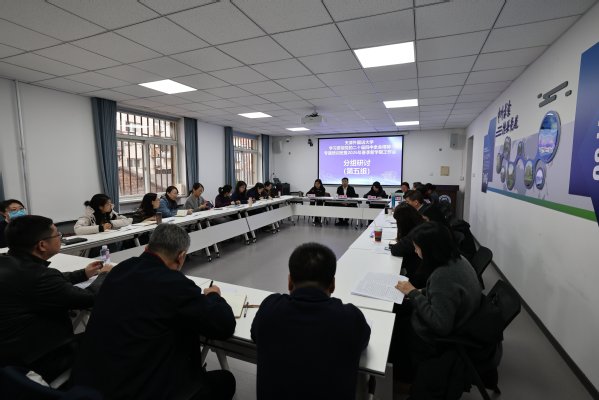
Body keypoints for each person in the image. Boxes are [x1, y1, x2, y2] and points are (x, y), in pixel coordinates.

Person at [71, 224, 236, 400]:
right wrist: (213, 296)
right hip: (136, 390)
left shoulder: (120, 269)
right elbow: (224, 326)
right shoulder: (174, 284)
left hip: (91, 383)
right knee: (225, 380)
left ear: (146, 248)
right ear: (181, 257)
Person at [251, 243, 370, 400]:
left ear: (289, 282)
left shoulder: (269, 308)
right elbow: (362, 343)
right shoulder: (351, 318)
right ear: (333, 284)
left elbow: (255, 334)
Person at [0, 215, 109, 382]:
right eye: (57, 234)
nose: (60, 237)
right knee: (109, 335)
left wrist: (83, 274)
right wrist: (105, 275)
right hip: (41, 358)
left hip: (10, 352)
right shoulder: (40, 277)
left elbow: (47, 282)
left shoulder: (8, 263)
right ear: (42, 245)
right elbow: (90, 298)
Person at [394, 222, 481, 381]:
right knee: (401, 308)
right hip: (462, 318)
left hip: (440, 335)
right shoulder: (457, 259)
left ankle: (404, 379)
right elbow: (443, 294)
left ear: (430, 250)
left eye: (417, 248)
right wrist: (420, 292)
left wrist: (414, 293)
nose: (415, 251)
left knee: (395, 326)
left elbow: (441, 325)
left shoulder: (442, 276)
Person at [389, 204, 428, 287]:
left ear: (404, 221)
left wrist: (401, 238)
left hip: (419, 277)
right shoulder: (422, 223)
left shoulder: (416, 233)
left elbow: (395, 250)